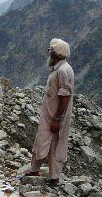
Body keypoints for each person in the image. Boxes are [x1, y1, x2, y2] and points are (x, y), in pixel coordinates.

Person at [29, 38, 74, 186]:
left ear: (55, 54)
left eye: (51, 52)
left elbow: (65, 96)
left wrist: (57, 118)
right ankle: (35, 170)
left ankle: (54, 177)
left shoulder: (63, 71)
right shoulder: (59, 68)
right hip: (50, 113)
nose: (49, 54)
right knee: (43, 140)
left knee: (55, 143)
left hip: (54, 115)